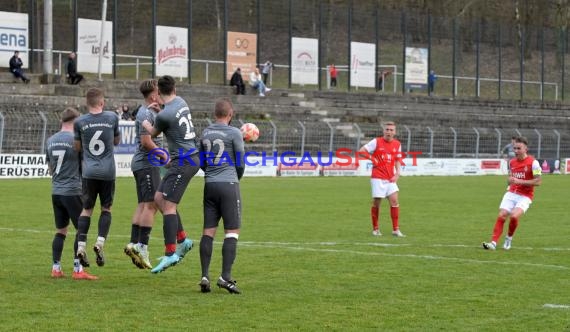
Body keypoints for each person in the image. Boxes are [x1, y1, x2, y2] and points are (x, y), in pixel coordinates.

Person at [142, 75, 200, 274]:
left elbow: (153, 133)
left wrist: (146, 124)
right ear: (174, 88)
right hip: (186, 158)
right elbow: (171, 117)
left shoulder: (164, 116)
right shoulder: (181, 102)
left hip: (184, 161)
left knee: (168, 206)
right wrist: (161, 111)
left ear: (158, 92)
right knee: (159, 198)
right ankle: (183, 240)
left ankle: (170, 254)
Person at [198, 98, 245, 294]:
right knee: (232, 231)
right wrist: (236, 177)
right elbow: (241, 162)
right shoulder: (234, 132)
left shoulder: (206, 132)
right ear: (230, 114)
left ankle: (205, 275)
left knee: (208, 231)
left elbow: (201, 161)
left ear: (214, 114)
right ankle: (225, 277)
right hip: (229, 185)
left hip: (210, 185)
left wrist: (211, 172)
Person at [46, 107, 98, 280]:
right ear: (75, 122)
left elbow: (50, 168)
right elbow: (85, 165)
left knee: (61, 230)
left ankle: (56, 268)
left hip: (56, 191)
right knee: (81, 230)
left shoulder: (50, 140)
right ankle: (77, 270)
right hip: (73, 190)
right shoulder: (76, 140)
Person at [73, 88, 120, 268]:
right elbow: (116, 142)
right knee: (106, 208)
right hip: (108, 172)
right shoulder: (112, 118)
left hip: (89, 172)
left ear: (87, 103)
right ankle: (100, 242)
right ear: (102, 102)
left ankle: (81, 245)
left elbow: (77, 147)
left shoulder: (80, 122)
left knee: (87, 209)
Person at [124, 79, 163, 269]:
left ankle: (133, 243)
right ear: (154, 94)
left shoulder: (146, 110)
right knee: (152, 206)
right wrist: (163, 155)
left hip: (142, 164)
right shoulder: (147, 112)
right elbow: (146, 141)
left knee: (142, 204)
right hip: (148, 163)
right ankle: (142, 246)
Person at [483, 136, 541, 250]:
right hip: (511, 193)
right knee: (502, 215)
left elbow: (538, 181)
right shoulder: (512, 162)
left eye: (519, 148)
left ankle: (509, 238)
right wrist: (509, 181)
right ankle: (493, 243)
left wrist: (520, 181)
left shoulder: (533, 163)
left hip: (525, 196)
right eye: (514, 148)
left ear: (525, 149)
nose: (516, 151)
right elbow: (510, 178)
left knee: (514, 216)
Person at [358, 121, 405, 237]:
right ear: (384, 131)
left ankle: (396, 229)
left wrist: (398, 173)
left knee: (394, 201)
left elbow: (398, 160)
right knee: (377, 203)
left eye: (391, 130)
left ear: (395, 132)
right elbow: (361, 151)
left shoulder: (397, 144)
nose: (389, 132)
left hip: (390, 178)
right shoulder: (376, 142)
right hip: (378, 177)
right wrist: (372, 158)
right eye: (387, 129)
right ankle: (376, 229)